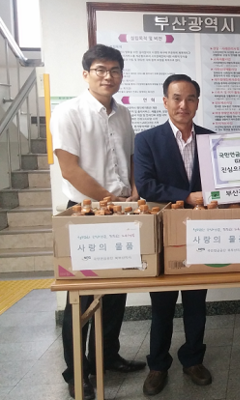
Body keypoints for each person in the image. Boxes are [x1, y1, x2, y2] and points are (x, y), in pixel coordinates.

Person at [51, 44, 145, 400]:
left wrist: (133, 191)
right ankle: (77, 373)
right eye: (100, 69)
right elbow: (69, 169)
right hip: (86, 213)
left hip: (121, 210)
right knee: (81, 296)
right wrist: (110, 199)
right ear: (86, 74)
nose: (108, 76)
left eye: (115, 70)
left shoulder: (123, 114)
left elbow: (130, 158)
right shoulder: (68, 112)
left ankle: (106, 356)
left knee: (117, 290)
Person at [134, 74, 213, 395]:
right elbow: (146, 185)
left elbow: (220, 183)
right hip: (164, 233)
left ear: (197, 103)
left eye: (190, 98)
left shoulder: (211, 139)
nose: (183, 105)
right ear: (165, 101)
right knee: (162, 305)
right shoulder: (146, 140)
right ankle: (157, 365)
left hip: (201, 233)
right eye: (177, 98)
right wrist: (187, 195)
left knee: (196, 302)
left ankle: (193, 359)